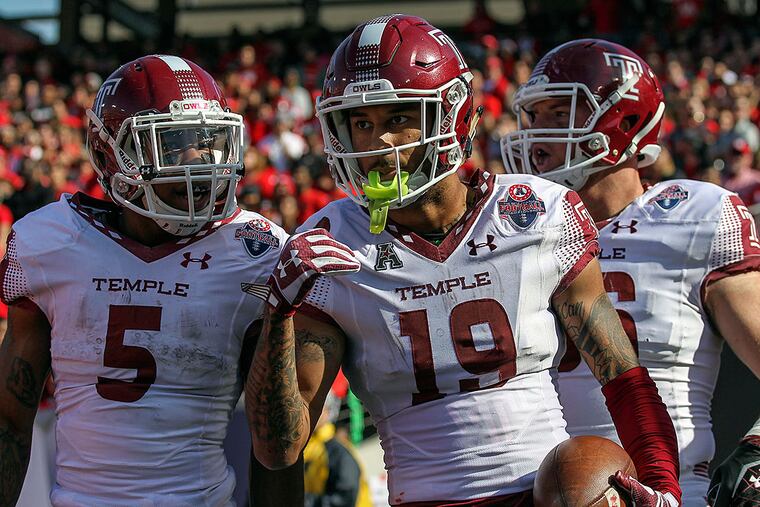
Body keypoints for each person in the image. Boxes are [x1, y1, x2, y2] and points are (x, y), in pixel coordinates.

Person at [247, 15, 681, 506]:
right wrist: (278, 314)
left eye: (396, 119)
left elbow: (621, 374)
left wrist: (665, 487)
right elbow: (279, 448)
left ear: (450, 117)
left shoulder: (534, 214)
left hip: (544, 493)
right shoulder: (330, 243)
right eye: (361, 124)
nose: (376, 144)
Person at [0, 54, 300, 506]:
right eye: (173, 143)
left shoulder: (252, 249)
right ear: (110, 155)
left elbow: (275, 445)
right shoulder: (51, 243)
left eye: (207, 141)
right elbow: (10, 420)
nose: (198, 160)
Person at [501, 38, 760, 506]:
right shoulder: (510, 232)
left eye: (560, 115)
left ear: (624, 122)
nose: (537, 137)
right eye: (534, 117)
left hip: (673, 490)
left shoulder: (693, 216)